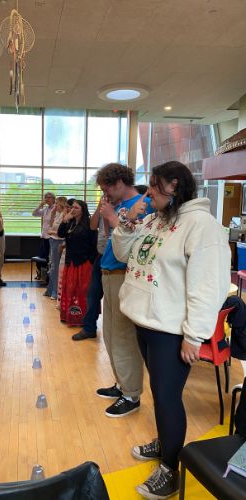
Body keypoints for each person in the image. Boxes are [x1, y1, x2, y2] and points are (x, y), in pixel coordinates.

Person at [112, 161, 228, 499]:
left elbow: (209, 284)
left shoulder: (202, 226)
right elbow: (122, 252)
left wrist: (195, 334)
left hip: (170, 330)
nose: (148, 192)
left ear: (174, 185)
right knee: (160, 395)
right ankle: (166, 442)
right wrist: (128, 220)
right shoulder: (158, 220)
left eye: (154, 185)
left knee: (166, 399)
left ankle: (170, 469)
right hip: (145, 321)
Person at [94, 163, 151, 418]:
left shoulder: (143, 205)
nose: (105, 193)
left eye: (107, 188)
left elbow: (137, 246)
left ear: (119, 183)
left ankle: (132, 394)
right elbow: (110, 239)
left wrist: (113, 217)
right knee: (110, 334)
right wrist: (109, 216)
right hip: (108, 273)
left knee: (125, 338)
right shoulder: (116, 207)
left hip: (124, 276)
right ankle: (121, 384)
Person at [58, 200, 97, 328]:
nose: (73, 210)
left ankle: (82, 318)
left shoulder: (89, 223)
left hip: (83, 262)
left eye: (76, 208)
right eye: (72, 207)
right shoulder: (70, 222)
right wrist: (64, 221)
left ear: (83, 210)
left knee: (82, 290)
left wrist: (90, 260)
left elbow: (93, 244)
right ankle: (70, 316)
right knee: (70, 289)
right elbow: (60, 234)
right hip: (71, 261)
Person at [37, 192, 63, 297]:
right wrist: (52, 214)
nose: (55, 205)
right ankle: (51, 288)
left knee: (54, 267)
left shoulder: (62, 215)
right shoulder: (53, 212)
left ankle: (54, 290)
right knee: (51, 265)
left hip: (57, 241)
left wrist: (52, 232)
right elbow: (52, 225)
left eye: (57, 203)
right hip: (50, 239)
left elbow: (60, 231)